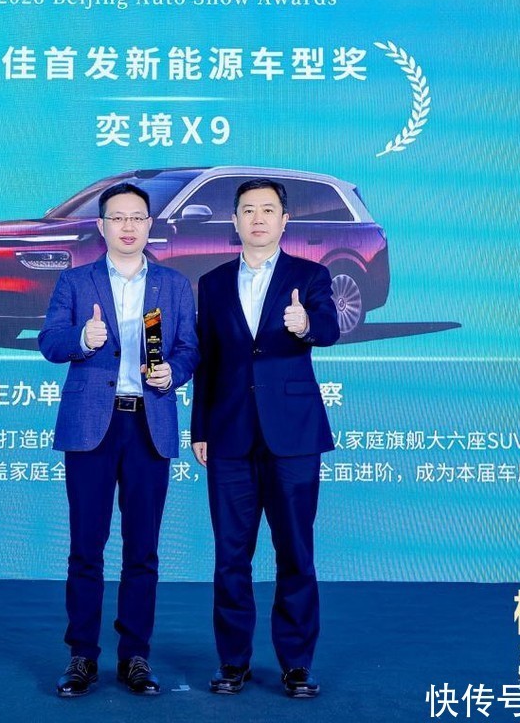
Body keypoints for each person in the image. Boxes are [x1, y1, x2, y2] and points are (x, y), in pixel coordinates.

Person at [39, 182, 200, 698]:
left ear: (150, 225)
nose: (128, 226)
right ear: (102, 226)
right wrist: (81, 339)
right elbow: (49, 341)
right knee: (86, 547)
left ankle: (135, 655)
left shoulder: (174, 285)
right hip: (92, 426)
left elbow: (190, 348)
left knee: (143, 549)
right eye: (118, 218)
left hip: (148, 425)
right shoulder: (75, 281)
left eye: (137, 218)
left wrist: (173, 373)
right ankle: (82, 656)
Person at [190, 177, 340, 699]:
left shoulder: (310, 275)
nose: (258, 218)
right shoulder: (212, 283)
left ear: (284, 221)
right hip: (229, 433)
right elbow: (207, 360)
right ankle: (233, 661)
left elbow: (329, 327)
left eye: (268, 209)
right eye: (248, 210)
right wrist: (200, 428)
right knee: (231, 555)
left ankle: (296, 663)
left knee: (295, 551)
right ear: (234, 221)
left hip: (293, 435)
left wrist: (305, 324)